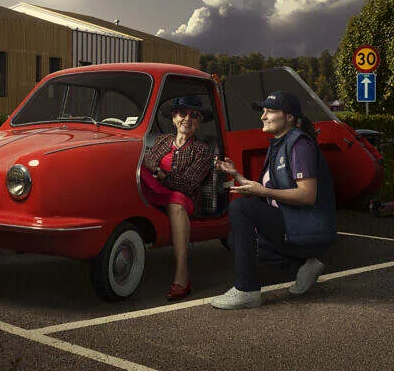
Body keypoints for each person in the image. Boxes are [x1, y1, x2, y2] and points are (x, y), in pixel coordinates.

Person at [210, 90, 336, 309]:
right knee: (234, 238)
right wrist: (236, 174)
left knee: (241, 207)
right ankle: (301, 268)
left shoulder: (300, 145)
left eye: (270, 111)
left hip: (305, 228)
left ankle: (246, 290)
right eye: (263, 111)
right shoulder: (278, 144)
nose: (263, 116)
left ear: (288, 116)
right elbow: (265, 190)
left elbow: (307, 195)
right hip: (289, 223)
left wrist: (263, 193)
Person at [141, 95, 214, 301]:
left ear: (199, 122)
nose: (187, 119)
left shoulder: (202, 150)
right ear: (174, 118)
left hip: (185, 199)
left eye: (194, 115)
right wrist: (153, 171)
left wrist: (160, 173)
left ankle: (182, 276)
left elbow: (189, 184)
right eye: (182, 113)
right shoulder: (163, 141)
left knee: (177, 201)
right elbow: (146, 162)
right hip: (152, 189)